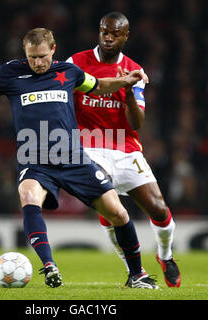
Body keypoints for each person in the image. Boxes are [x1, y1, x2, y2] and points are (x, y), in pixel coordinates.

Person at [0, 28, 158, 289]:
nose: (37, 63)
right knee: (28, 197)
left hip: (74, 157)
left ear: (53, 49)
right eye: (31, 57)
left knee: (118, 213)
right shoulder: (11, 73)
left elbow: (99, 85)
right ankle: (49, 266)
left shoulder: (68, 72)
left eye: (41, 56)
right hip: (35, 159)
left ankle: (137, 274)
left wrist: (127, 80)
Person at [67, 12, 181, 287]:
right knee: (111, 207)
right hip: (89, 145)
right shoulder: (76, 63)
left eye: (115, 33)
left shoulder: (134, 70)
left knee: (159, 209)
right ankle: (134, 271)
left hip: (126, 148)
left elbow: (136, 122)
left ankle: (165, 256)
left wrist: (128, 89)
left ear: (125, 36)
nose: (108, 37)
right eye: (104, 31)